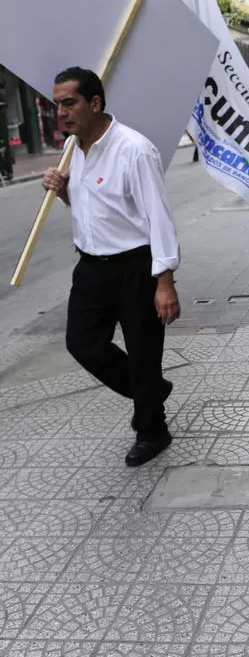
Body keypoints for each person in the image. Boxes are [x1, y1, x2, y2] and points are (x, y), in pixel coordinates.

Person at [41, 66, 181, 466]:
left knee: (142, 353)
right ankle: (150, 389)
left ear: (96, 102)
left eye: (69, 103)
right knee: (82, 343)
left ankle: (152, 430)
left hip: (135, 268)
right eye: (57, 105)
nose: (61, 113)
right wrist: (66, 192)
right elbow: (93, 209)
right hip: (90, 268)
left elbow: (158, 218)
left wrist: (164, 281)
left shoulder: (134, 149)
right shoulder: (74, 150)